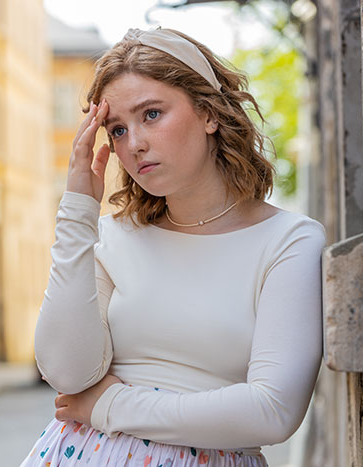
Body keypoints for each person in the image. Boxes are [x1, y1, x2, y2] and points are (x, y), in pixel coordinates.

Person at [20, 27, 325, 467]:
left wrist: (108, 407)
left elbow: (272, 411)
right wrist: (79, 209)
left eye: (152, 115)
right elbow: (66, 372)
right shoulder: (112, 237)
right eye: (118, 130)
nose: (135, 143)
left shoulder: (288, 241)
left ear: (208, 114)